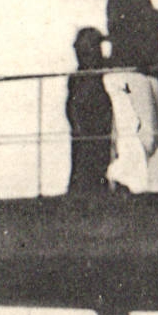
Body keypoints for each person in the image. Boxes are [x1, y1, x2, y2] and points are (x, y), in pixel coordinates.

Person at [103, 0, 158, 193]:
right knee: (149, 133)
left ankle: (147, 184)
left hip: (126, 70)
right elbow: (142, 34)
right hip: (136, 72)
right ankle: (120, 174)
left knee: (143, 132)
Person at [65, 27, 114, 194]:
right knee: (82, 169)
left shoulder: (107, 71)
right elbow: (71, 106)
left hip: (100, 129)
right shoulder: (76, 77)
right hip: (84, 131)